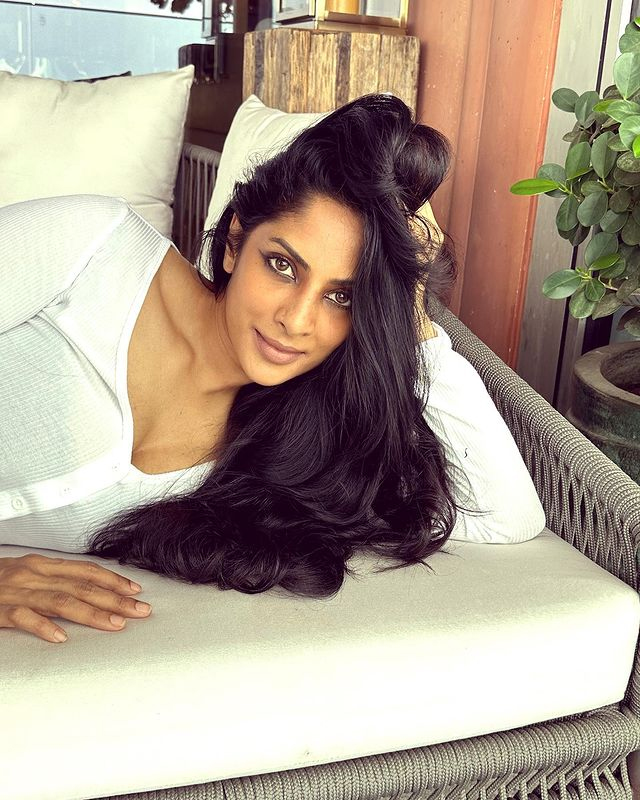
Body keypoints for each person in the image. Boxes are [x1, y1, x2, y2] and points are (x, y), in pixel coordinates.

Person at [0, 94, 545, 644]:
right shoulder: (92, 251)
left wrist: (414, 313)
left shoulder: (296, 453)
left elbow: (506, 516)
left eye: (342, 296)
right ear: (236, 241)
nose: (297, 320)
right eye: (282, 265)